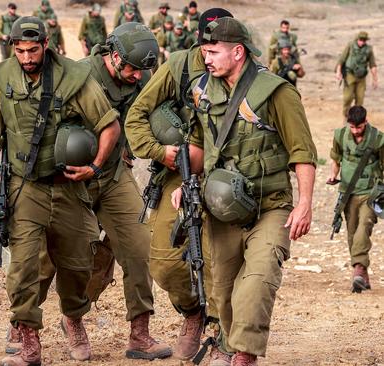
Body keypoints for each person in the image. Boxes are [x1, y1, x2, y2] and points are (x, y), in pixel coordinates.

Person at [174, 17, 317, 365]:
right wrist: (185, 184)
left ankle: (244, 356)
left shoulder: (275, 92)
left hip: (270, 207)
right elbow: (198, 143)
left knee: (257, 281)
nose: (205, 58)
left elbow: (303, 152)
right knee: (222, 292)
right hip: (221, 210)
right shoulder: (202, 91)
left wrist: (306, 204)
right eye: (204, 51)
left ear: (238, 52)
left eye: (213, 52)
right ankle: (228, 342)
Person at [0, 16, 121, 366]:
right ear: (13, 48)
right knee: (24, 266)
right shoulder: (1, 81)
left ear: (46, 44)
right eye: (20, 50)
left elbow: (109, 125)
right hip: (24, 187)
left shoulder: (74, 78)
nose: (27, 57)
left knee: (78, 265)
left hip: (68, 188)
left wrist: (95, 166)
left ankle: (73, 317)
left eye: (33, 50)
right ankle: (27, 336)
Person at [125, 8, 233, 366]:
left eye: (220, 44)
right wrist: (162, 152)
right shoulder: (180, 68)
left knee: (220, 256)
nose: (211, 51)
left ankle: (220, 333)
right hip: (180, 170)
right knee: (165, 262)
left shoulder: (246, 75)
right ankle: (192, 312)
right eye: (207, 43)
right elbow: (137, 115)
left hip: (226, 173)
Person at [72, 22, 172, 361]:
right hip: (74, 178)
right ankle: (67, 320)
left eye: (143, 70)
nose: (137, 76)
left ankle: (140, 334)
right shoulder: (80, 76)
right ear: (114, 57)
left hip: (113, 174)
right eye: (131, 68)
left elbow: (141, 117)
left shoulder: (140, 77)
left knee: (140, 246)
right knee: (67, 256)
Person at [328, 106, 384, 293]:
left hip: (371, 192)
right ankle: (362, 274)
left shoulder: (378, 139)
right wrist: (333, 175)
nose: (355, 131)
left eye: (358, 128)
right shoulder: (340, 135)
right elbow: (336, 158)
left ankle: (358, 268)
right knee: (352, 232)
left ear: (365, 122)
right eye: (352, 127)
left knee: (364, 227)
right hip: (348, 192)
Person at [336, 31, 378, 117]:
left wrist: (375, 79)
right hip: (350, 75)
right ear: (357, 39)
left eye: (364, 40)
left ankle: (356, 119)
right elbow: (342, 59)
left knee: (360, 99)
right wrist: (338, 72)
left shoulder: (368, 50)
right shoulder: (350, 46)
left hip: (361, 77)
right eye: (361, 39)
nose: (362, 42)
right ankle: (346, 117)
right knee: (348, 98)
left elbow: (372, 65)